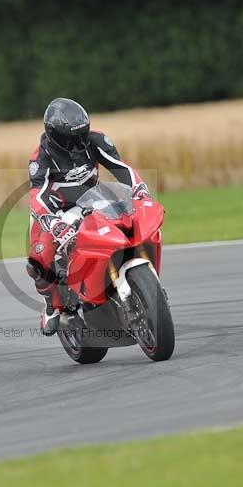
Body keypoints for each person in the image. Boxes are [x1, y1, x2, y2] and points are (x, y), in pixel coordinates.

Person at [27, 98, 151, 335]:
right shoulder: (40, 157)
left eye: (81, 134)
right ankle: (53, 306)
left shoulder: (96, 140)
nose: (78, 143)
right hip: (56, 212)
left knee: (128, 223)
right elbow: (37, 195)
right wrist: (53, 222)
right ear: (55, 136)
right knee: (39, 259)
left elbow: (120, 168)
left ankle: (116, 276)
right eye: (71, 138)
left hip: (93, 200)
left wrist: (139, 188)